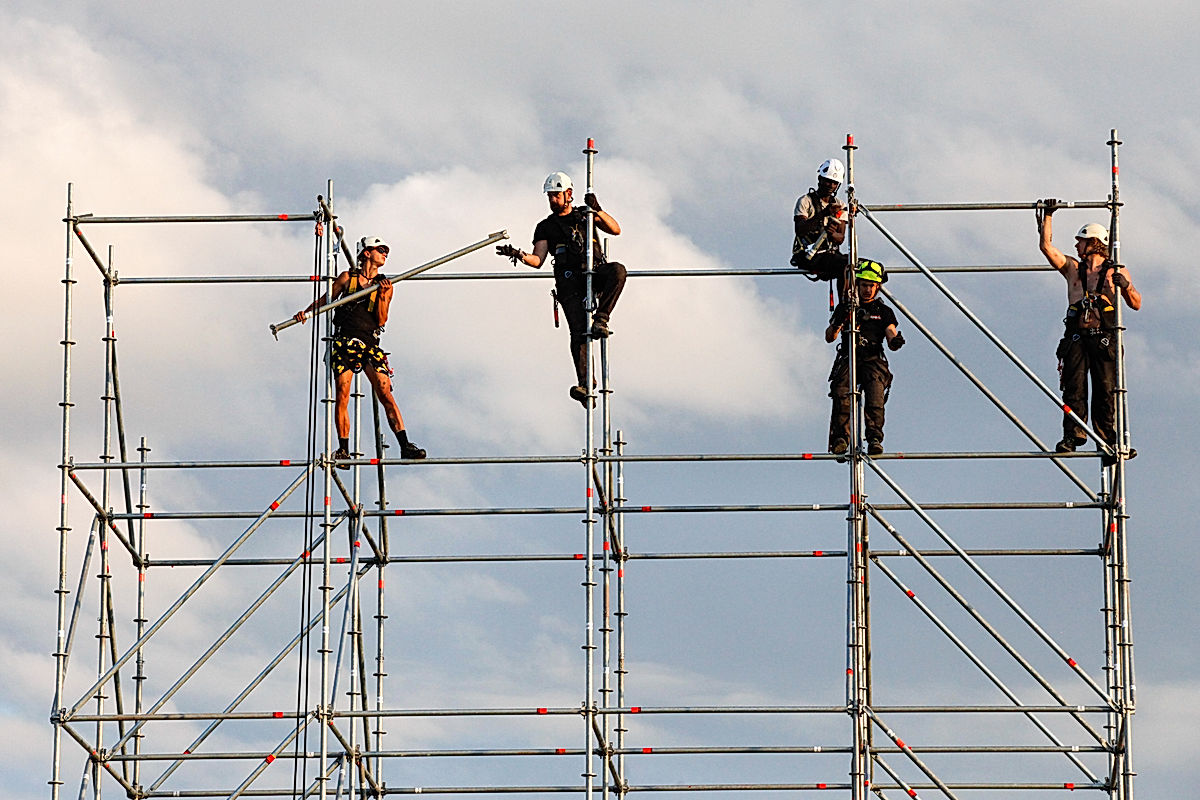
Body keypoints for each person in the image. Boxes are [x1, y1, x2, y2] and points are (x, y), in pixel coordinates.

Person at [293, 234, 426, 464]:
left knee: (385, 391)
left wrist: (383, 296)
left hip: (370, 343)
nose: (385, 253)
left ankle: (405, 445)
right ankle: (343, 449)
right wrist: (306, 311)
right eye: (380, 249)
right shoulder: (348, 278)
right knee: (343, 392)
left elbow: (382, 320)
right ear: (367, 252)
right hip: (345, 341)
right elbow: (327, 299)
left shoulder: (385, 285)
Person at [497, 172, 627, 406]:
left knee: (618, 271)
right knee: (578, 332)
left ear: (568, 194)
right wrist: (518, 255)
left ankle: (602, 318)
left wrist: (597, 210)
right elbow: (538, 260)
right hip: (569, 283)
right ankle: (586, 385)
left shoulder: (584, 215)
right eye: (550, 196)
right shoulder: (546, 227)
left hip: (594, 272)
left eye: (556, 195)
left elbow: (615, 229)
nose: (553, 200)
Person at [1037, 201, 1141, 461]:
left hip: (1104, 338)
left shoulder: (1115, 271)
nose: (1076, 246)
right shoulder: (1073, 268)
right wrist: (1048, 216)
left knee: (1106, 390)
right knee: (1074, 388)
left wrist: (1126, 286)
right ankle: (1073, 435)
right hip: (1077, 337)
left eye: (1080, 241)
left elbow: (1136, 303)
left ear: (1093, 242)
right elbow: (1046, 247)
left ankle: (1107, 441)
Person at [825, 259, 905, 456]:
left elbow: (890, 332)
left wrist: (895, 341)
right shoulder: (846, 307)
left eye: (871, 286)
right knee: (841, 392)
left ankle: (874, 438)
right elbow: (830, 336)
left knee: (875, 393)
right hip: (848, 357)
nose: (867, 290)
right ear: (857, 285)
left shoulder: (883, 311)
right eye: (864, 285)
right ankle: (841, 439)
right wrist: (839, 321)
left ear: (877, 287)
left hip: (872, 359)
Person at [791, 158, 849, 285]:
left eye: (834, 183)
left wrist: (831, 233)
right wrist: (823, 214)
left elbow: (840, 238)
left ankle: (847, 301)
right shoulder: (805, 201)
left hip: (830, 254)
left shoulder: (840, 205)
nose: (831, 186)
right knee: (844, 265)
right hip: (809, 255)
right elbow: (800, 230)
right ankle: (844, 304)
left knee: (853, 265)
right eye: (828, 181)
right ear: (820, 179)